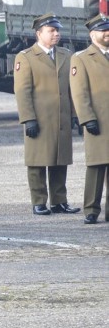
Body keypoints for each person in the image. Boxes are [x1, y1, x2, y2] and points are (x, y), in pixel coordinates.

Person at [14, 13, 80, 216]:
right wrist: (28, 118)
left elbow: (74, 88)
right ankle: (39, 201)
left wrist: (76, 115)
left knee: (60, 159)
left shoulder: (66, 55)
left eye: (57, 30)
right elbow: (22, 91)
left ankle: (59, 201)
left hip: (61, 117)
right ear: (38, 33)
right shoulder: (26, 57)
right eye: (51, 31)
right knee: (37, 161)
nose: (56, 34)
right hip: (39, 118)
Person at [69, 14, 109, 224]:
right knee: (96, 165)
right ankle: (91, 209)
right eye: (103, 30)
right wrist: (86, 118)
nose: (107, 33)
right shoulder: (82, 58)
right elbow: (79, 92)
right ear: (93, 34)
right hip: (98, 121)